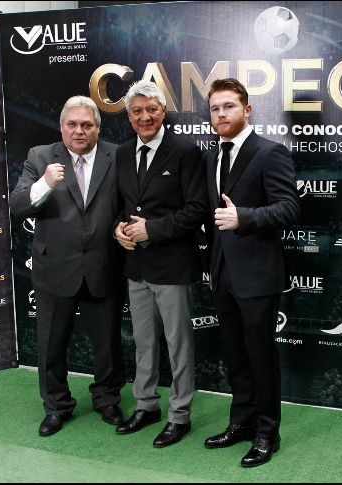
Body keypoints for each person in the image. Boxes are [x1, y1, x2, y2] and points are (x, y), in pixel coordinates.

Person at [9, 95, 126, 436]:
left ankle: (107, 399)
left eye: (87, 125)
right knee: (51, 344)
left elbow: (126, 203)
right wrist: (45, 183)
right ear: (61, 127)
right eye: (72, 124)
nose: (79, 131)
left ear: (98, 129)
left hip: (104, 265)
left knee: (108, 343)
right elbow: (18, 206)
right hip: (55, 267)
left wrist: (122, 225)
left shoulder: (116, 155)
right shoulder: (40, 157)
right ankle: (56, 406)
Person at [202, 78, 300, 467]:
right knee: (235, 356)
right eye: (214, 108)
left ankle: (266, 433)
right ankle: (240, 423)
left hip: (257, 275)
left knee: (260, 357)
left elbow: (289, 209)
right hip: (222, 273)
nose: (221, 114)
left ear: (247, 110)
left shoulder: (269, 153)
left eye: (228, 106)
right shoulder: (211, 156)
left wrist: (243, 217)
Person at [113, 80, 206, 447]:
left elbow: (197, 210)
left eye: (151, 109)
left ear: (163, 112)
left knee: (178, 345)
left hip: (173, 266)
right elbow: (122, 207)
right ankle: (146, 405)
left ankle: (179, 415)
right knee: (144, 343)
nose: (144, 116)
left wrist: (151, 229)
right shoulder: (121, 154)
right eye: (137, 111)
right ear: (129, 117)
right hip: (136, 266)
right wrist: (117, 230)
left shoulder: (185, 151)